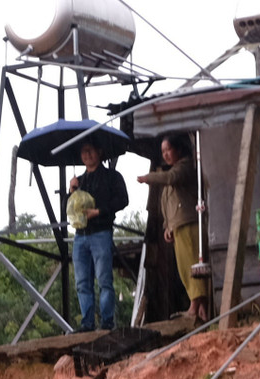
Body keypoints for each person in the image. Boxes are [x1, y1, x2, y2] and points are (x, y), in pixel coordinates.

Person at [138, 132, 209, 322]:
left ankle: (195, 305)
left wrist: (149, 177)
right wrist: (167, 226)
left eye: (169, 149)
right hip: (177, 224)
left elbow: (170, 178)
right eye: (163, 151)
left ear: (178, 149)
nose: (166, 154)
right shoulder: (172, 171)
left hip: (188, 221)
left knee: (193, 265)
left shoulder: (185, 165)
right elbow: (165, 205)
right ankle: (199, 307)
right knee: (185, 267)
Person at [68, 141, 128, 331]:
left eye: (90, 150)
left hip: (101, 232)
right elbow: (68, 209)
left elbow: (123, 199)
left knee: (104, 280)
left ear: (99, 151)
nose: (87, 155)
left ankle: (107, 322)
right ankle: (87, 322)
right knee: (82, 282)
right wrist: (71, 191)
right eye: (83, 152)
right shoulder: (79, 181)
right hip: (80, 235)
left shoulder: (112, 176)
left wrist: (100, 211)